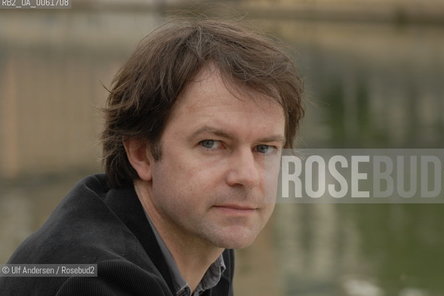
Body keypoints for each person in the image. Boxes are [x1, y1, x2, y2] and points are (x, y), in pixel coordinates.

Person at [0, 19, 304, 295]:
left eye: (264, 148)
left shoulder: (209, 242)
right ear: (141, 154)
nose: (247, 176)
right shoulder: (93, 280)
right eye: (211, 144)